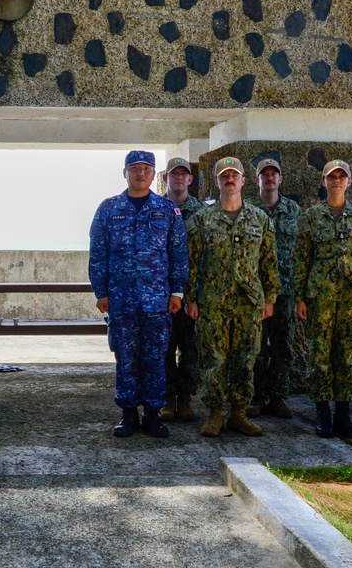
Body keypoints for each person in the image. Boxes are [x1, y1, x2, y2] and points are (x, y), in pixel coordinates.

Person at [89, 151, 188, 438]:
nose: (140, 173)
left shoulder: (167, 210)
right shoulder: (109, 209)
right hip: (121, 299)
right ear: (125, 173)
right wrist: (101, 292)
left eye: (146, 168)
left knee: (156, 358)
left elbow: (178, 253)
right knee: (126, 358)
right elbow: (99, 253)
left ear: (154, 174)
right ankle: (129, 413)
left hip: (157, 300)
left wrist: (176, 292)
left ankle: (154, 415)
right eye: (135, 168)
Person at [185, 157, 279, 438]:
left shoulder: (260, 218)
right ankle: (215, 413)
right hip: (213, 301)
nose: (229, 179)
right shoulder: (202, 218)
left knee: (246, 358)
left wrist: (270, 297)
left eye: (234, 175)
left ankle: (238, 413)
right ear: (216, 182)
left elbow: (269, 261)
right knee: (213, 360)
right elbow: (191, 262)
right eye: (223, 175)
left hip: (249, 302)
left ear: (243, 181)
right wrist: (191, 297)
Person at [292, 159, 352, 439]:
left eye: (342, 177)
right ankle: (322, 412)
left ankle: (343, 413)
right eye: (331, 177)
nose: (336, 181)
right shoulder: (311, 216)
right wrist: (300, 297)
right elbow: (301, 259)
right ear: (324, 181)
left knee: (346, 357)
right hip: (320, 297)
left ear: (349, 182)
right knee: (319, 356)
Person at [245, 158, 301, 419]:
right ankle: (256, 396)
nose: (269, 178)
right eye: (264, 174)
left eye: (273, 174)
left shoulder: (294, 211)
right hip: (255, 291)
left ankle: (278, 396)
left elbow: (302, 252)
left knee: (283, 346)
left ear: (281, 179)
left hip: (286, 292)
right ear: (256, 180)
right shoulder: (248, 210)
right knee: (255, 346)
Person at [160, 157, 205, 423]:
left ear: (190, 179)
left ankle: (186, 397)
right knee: (165, 346)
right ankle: (167, 397)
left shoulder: (202, 211)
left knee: (190, 347)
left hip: (193, 291)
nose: (178, 177)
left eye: (183, 173)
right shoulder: (156, 208)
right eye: (173, 173)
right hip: (161, 290)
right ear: (166, 178)